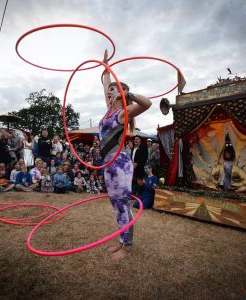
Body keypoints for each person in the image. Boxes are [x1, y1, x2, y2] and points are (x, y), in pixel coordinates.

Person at [100, 49, 152, 260]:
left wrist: (127, 94)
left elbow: (147, 104)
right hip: (107, 163)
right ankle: (122, 240)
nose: (109, 92)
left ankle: (127, 246)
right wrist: (105, 66)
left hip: (120, 163)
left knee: (122, 203)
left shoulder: (123, 113)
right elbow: (105, 83)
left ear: (120, 94)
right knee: (115, 205)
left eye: (114, 90)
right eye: (109, 90)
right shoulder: (109, 110)